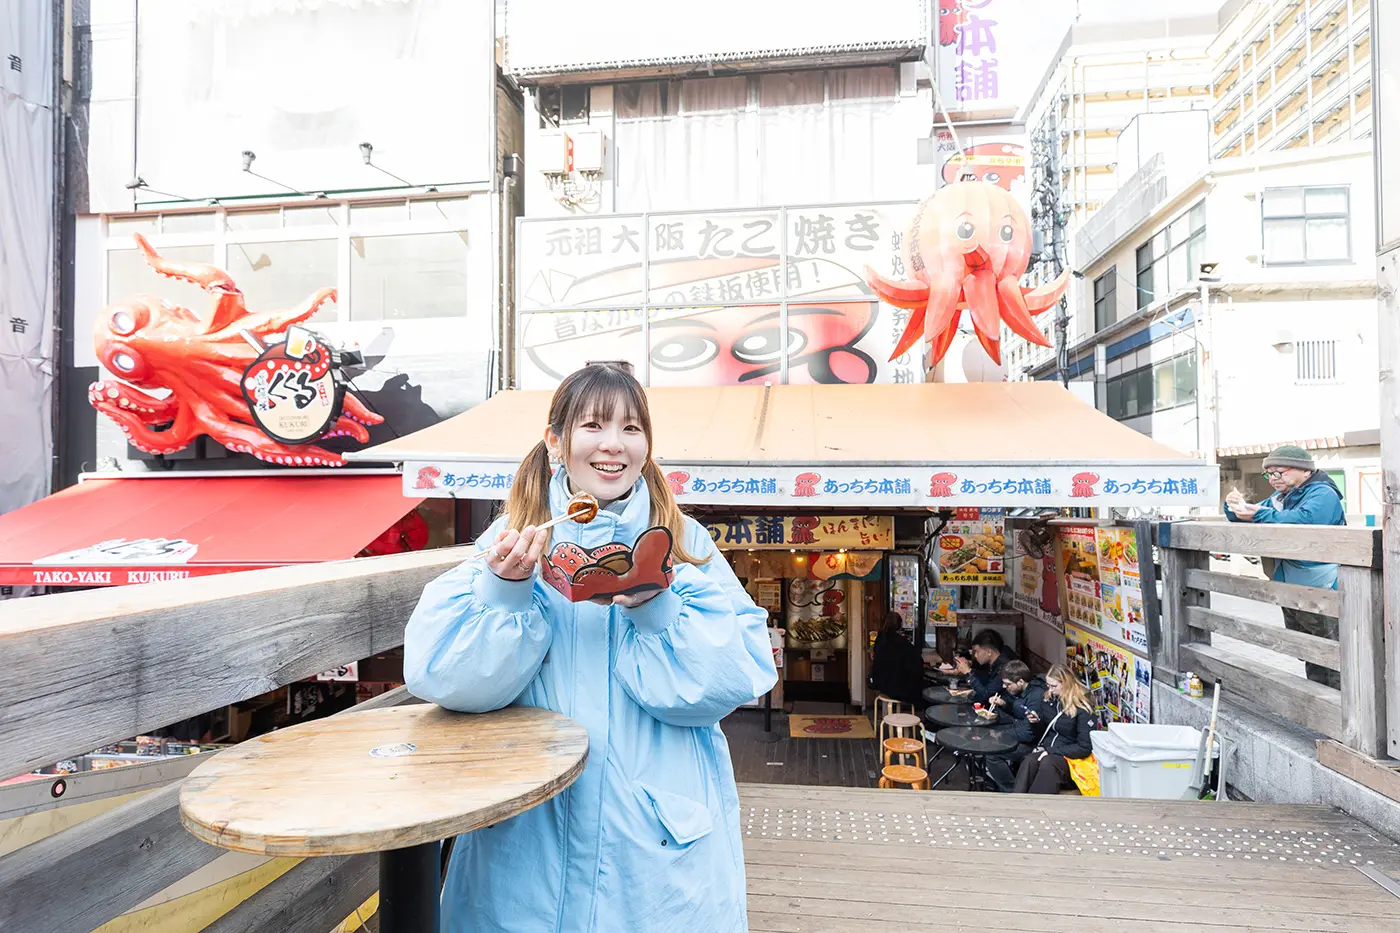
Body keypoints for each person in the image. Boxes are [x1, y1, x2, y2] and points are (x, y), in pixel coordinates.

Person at [403, 361, 778, 932]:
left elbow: (730, 683)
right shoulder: (510, 538)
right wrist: (504, 594)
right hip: (527, 836)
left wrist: (658, 607)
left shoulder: (685, 542)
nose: (613, 446)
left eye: (631, 429)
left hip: (654, 836)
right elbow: (442, 678)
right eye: (594, 426)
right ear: (556, 441)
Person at [1224, 444, 1345, 687]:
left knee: (1333, 653)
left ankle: (1339, 713)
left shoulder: (1323, 493)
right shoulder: (1280, 498)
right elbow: (1250, 513)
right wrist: (1232, 505)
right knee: (1310, 651)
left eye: (1279, 472)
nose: (1273, 479)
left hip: (1323, 585)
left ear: (1305, 471)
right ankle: (1320, 707)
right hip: (1292, 585)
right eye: (1269, 474)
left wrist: (1256, 514)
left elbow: (1305, 520)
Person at [1012, 664, 1094, 795]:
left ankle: (1037, 805)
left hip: (1073, 758)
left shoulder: (1082, 707)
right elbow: (1043, 732)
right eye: (1048, 686)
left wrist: (1052, 751)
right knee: (1029, 761)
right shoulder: (1049, 700)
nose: (1050, 690)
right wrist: (1036, 722)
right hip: (1049, 750)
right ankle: (1016, 800)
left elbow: (1084, 747)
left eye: (1053, 686)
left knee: (1048, 764)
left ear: (1065, 683)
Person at [984, 660, 1047, 792]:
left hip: (1034, 743)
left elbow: (1029, 733)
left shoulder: (1036, 697)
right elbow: (1018, 711)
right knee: (986, 734)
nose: (1003, 686)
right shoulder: (1023, 691)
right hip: (1020, 729)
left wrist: (1001, 735)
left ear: (1020, 682)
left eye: (1007, 684)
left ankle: (1011, 791)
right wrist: (1004, 704)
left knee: (992, 753)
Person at [870, 611, 925, 710]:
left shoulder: (880, 639)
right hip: (897, 687)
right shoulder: (903, 643)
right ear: (900, 625)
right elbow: (916, 664)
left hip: (879, 682)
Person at [953, 629, 1017, 706]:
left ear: (989, 652)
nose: (975, 655)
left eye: (977, 651)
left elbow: (985, 695)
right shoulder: (994, 663)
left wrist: (968, 673)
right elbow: (985, 678)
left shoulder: (1005, 667)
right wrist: (969, 670)